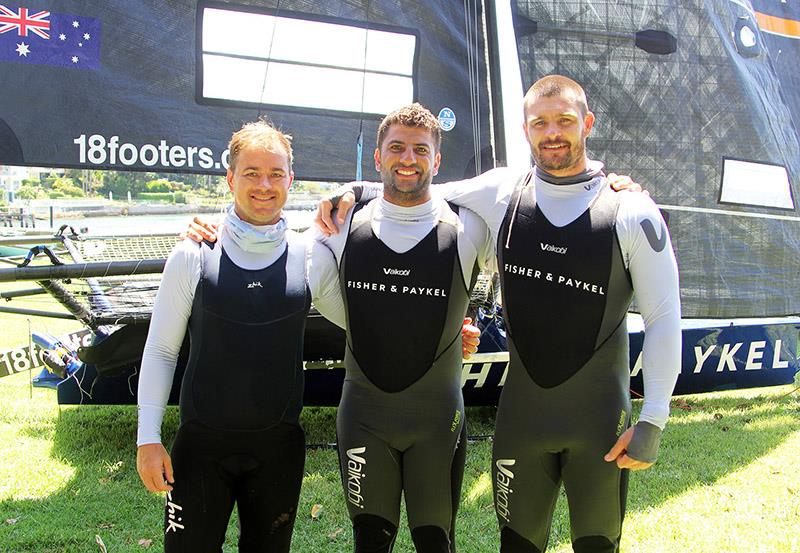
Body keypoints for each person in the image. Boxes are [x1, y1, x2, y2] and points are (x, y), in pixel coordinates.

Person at [319, 75, 681, 553]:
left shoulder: (632, 209)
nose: (552, 132)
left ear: (587, 124)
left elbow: (663, 315)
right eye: (540, 123)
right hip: (521, 423)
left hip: (599, 424)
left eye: (565, 121)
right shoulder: (503, 191)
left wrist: (654, 417)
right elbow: (420, 184)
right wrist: (355, 191)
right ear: (526, 129)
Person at [179, 107, 486, 553]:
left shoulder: (469, 226)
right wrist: (210, 228)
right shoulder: (337, 227)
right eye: (396, 147)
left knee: (437, 542)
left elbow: (528, 203)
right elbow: (269, 247)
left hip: (438, 419)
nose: (408, 158)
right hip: (365, 417)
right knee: (369, 542)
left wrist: (444, 330)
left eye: (421, 149)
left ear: (437, 162)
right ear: (377, 157)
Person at [135, 120, 347, 552]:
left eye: (276, 174)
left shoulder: (310, 255)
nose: (264, 185)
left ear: (292, 179)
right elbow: (160, 350)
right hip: (200, 449)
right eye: (251, 173)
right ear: (230, 178)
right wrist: (147, 438)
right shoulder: (192, 253)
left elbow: (363, 324)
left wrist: (443, 334)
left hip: (278, 450)